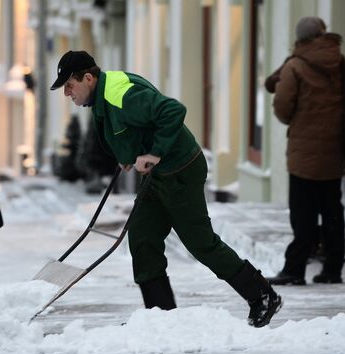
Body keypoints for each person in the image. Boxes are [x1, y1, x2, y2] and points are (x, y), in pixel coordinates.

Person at [50, 50, 282, 328]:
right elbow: (130, 128)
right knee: (142, 238)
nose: (67, 93)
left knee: (201, 243)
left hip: (180, 171)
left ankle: (263, 296)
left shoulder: (121, 94)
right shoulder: (104, 94)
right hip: (158, 177)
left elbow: (173, 110)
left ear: (88, 78)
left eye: (69, 85)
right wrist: (129, 155)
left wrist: (154, 153)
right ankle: (160, 317)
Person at [266, 17, 345, 286]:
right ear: (323, 34)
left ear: (300, 38)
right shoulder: (341, 62)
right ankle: (332, 269)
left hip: (304, 152)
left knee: (302, 212)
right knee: (332, 210)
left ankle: (294, 269)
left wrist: (295, 118)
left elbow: (282, 105)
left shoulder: (295, 65)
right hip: (334, 149)